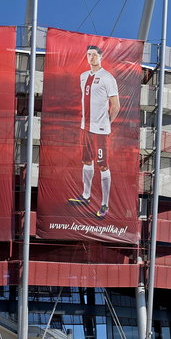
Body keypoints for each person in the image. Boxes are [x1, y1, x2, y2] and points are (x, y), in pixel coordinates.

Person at [67, 45, 120, 219]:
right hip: (85, 128)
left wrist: (106, 123)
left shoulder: (107, 78)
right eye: (89, 54)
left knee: (103, 165)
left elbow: (116, 105)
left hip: (101, 131)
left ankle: (104, 204)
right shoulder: (83, 77)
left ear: (101, 57)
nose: (91, 57)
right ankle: (86, 195)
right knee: (86, 161)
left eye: (94, 55)